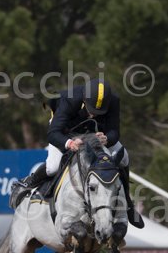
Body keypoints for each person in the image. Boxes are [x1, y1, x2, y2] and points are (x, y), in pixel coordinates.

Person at [21, 78, 142, 227]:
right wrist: (69, 143)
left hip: (93, 132)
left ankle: (128, 203)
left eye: (98, 112)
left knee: (124, 158)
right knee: (52, 167)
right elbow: (53, 133)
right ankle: (29, 183)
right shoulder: (70, 99)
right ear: (84, 99)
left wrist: (107, 138)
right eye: (91, 110)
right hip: (65, 130)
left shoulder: (113, 101)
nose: (93, 115)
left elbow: (114, 131)